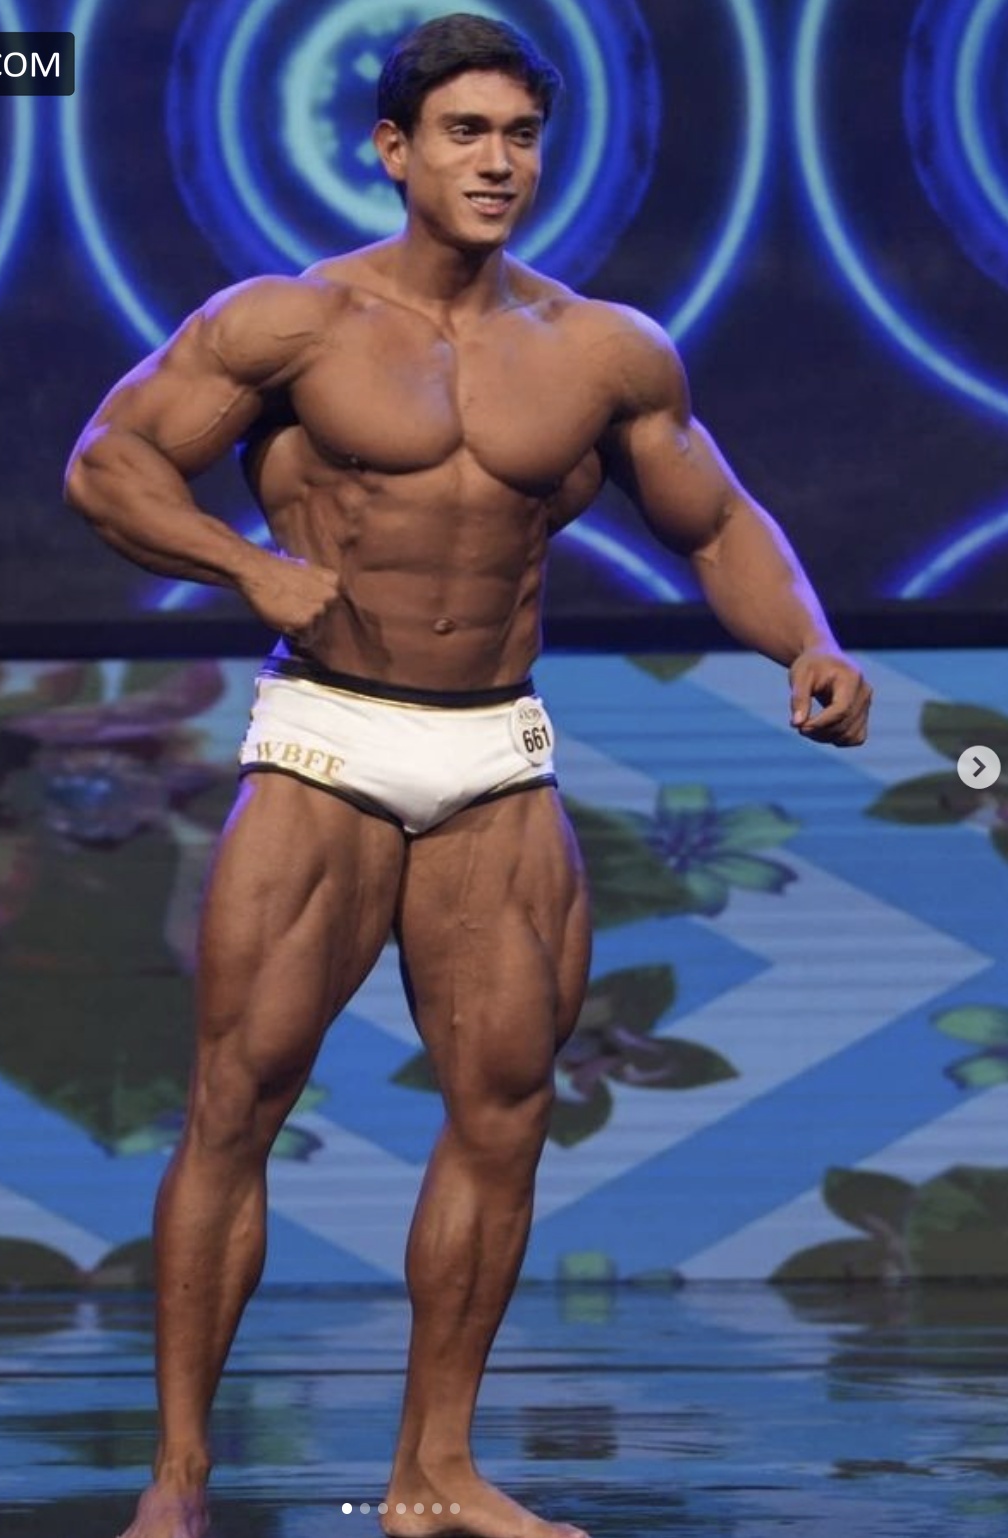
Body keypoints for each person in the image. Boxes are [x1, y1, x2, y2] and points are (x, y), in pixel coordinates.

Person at [64, 14, 872, 1538]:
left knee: (504, 1111)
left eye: (519, 135)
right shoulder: (292, 323)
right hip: (327, 735)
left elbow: (713, 522)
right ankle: (177, 1479)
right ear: (394, 149)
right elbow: (109, 461)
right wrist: (246, 565)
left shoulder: (604, 351)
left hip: (494, 749)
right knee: (237, 1099)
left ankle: (433, 1473)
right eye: (464, 133)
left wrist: (806, 639)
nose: (497, 161)